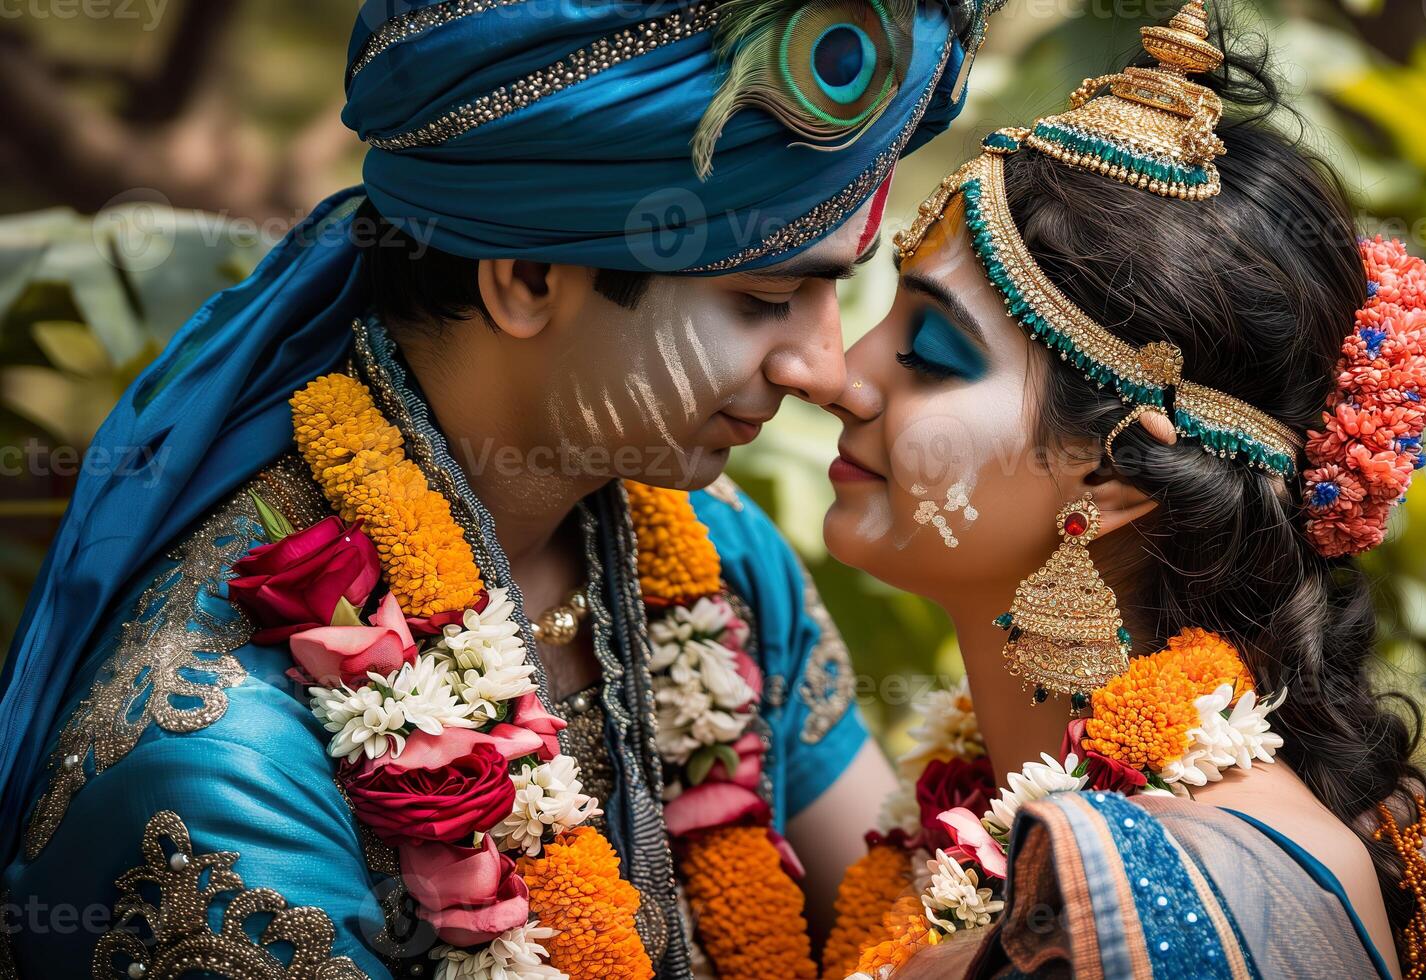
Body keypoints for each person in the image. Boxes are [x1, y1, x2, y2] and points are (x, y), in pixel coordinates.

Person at [0, 2, 1006, 977]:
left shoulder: (720, 557)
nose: (824, 370)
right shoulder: (224, 752)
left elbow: (902, 934)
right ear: (527, 278)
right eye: (766, 301)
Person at [819, 4, 1426, 977]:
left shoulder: (1208, 898)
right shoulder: (963, 827)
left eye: (928, 353)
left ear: (1117, 474)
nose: (842, 374)